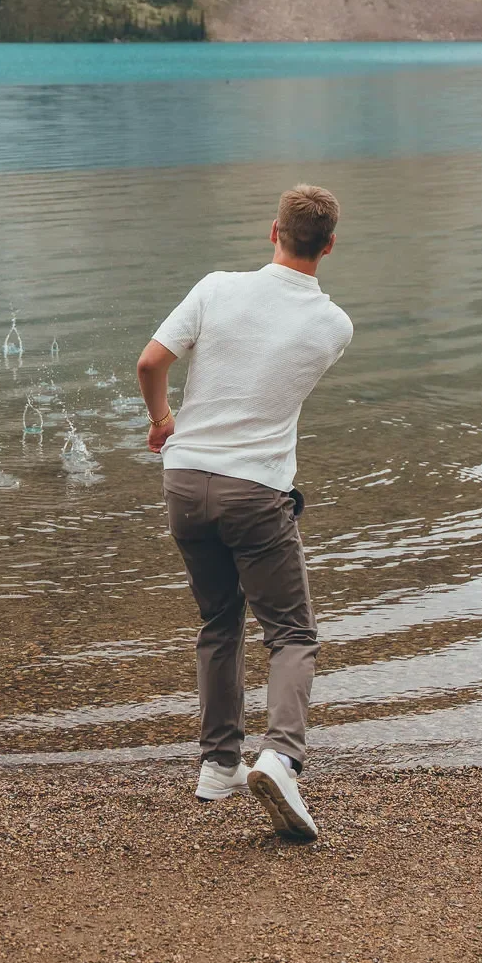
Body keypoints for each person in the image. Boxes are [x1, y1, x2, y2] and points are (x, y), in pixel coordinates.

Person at [136, 186, 353, 841]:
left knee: (218, 620)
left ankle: (219, 764)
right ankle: (280, 757)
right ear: (329, 246)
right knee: (292, 635)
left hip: (184, 482)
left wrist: (162, 420)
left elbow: (150, 361)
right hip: (255, 492)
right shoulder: (334, 327)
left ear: (273, 232)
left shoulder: (216, 288)